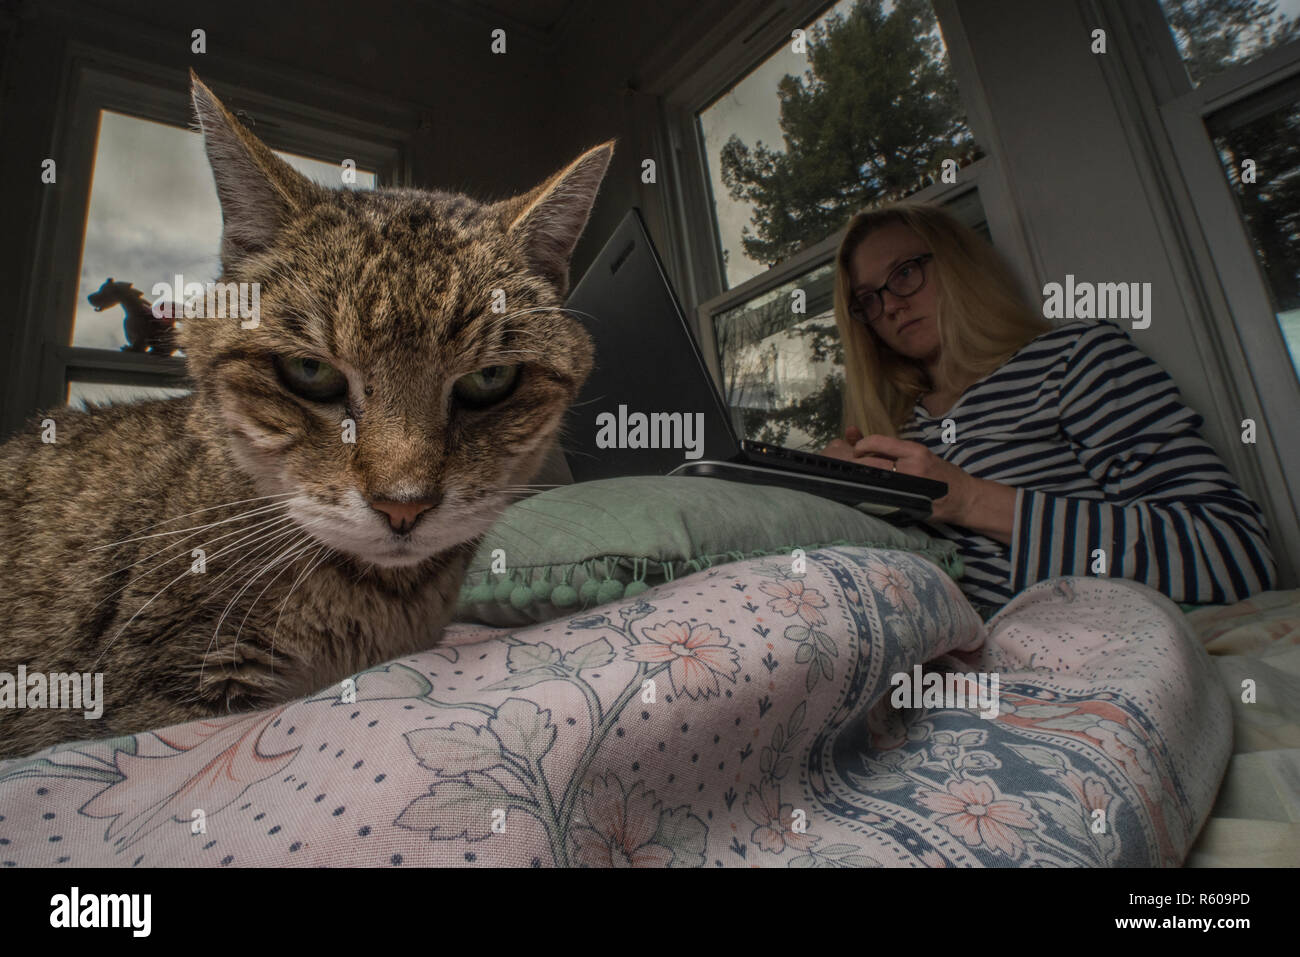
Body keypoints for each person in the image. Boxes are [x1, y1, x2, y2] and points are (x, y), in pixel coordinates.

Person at [819, 201, 1276, 618]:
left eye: (904, 274)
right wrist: (841, 493)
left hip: (1096, 653)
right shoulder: (896, 431)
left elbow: (1235, 554)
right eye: (869, 300)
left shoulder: (1075, 359)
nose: (892, 306)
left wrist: (966, 499)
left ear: (957, 264)